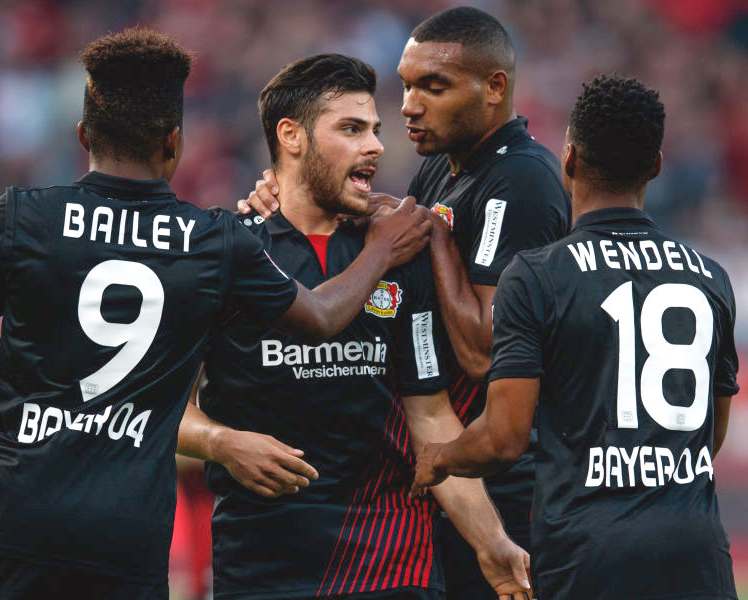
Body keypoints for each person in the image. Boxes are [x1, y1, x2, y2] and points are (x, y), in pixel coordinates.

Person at [0, 29, 432, 600]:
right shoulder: (213, 242)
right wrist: (381, 249)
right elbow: (323, 316)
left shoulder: (18, 219)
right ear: (174, 142)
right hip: (128, 543)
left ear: (83, 134)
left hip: (11, 521)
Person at [239, 8, 570, 599]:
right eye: (408, 86)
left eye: (433, 87)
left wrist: (431, 233)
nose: (410, 106)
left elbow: (485, 354)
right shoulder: (442, 169)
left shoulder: (521, 180)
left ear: (494, 87)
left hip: (500, 481)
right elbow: (388, 232)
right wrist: (286, 193)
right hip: (436, 474)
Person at [177, 54, 531, 600]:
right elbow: (162, 405)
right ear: (291, 136)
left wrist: (491, 541)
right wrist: (220, 442)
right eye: (351, 129)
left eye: (374, 130)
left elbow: (430, 415)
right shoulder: (224, 251)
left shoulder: (400, 251)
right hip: (262, 567)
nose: (375, 146)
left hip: (394, 565)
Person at [411, 74, 740, 599]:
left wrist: (441, 458)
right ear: (656, 166)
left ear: (569, 159)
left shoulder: (538, 275)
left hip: (588, 550)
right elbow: (710, 432)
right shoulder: (710, 277)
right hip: (696, 551)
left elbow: (504, 437)